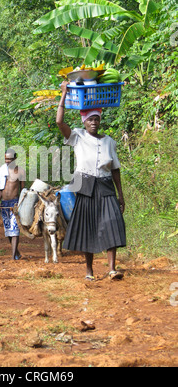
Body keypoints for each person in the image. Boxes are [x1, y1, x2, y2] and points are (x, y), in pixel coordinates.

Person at [56, 81, 126, 281]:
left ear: (100, 121)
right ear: (84, 122)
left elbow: (115, 169)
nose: (94, 122)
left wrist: (121, 195)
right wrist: (64, 94)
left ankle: (112, 269)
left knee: (112, 222)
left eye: (96, 119)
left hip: (105, 186)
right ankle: (89, 271)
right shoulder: (77, 137)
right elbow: (60, 122)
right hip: (85, 187)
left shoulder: (109, 141)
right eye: (90, 120)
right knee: (88, 226)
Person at [0, 148, 25, 260]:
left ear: (15, 158)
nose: (8, 161)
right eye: (6, 159)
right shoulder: (2, 171)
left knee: (15, 229)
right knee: (8, 230)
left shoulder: (20, 171)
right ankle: (16, 252)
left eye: (10, 159)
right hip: (4, 204)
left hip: (14, 203)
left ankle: (13, 257)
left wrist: (20, 203)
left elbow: (23, 189)